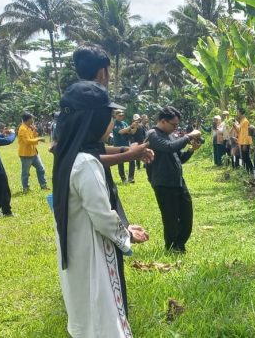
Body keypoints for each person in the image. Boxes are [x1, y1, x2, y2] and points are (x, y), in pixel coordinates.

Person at [53, 81, 149, 337]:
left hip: (75, 247)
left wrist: (125, 226)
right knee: (103, 311)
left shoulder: (66, 153)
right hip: (92, 250)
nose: (112, 123)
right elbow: (102, 217)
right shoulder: (86, 163)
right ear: (95, 120)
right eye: (109, 117)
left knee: (85, 309)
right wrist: (127, 235)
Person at [71, 45, 153, 168]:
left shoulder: (73, 102)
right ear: (103, 72)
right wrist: (129, 155)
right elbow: (86, 161)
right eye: (111, 114)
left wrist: (127, 150)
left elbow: (94, 149)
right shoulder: (97, 103)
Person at [147, 106, 202, 252]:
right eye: (174, 124)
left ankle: (180, 244)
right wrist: (188, 136)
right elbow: (169, 147)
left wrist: (191, 150)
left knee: (186, 215)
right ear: (163, 121)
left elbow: (179, 158)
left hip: (178, 181)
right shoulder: (153, 134)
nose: (175, 128)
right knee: (170, 218)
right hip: (163, 183)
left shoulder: (170, 135)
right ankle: (172, 247)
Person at [18, 112, 49, 192]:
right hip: (26, 155)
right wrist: (39, 139)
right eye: (32, 119)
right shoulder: (22, 129)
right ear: (28, 119)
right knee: (26, 173)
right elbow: (27, 141)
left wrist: (34, 131)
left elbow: (33, 137)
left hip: (34, 153)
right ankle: (26, 188)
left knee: (41, 169)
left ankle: (43, 185)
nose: (33, 120)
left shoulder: (28, 128)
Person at [113, 110, 138, 183]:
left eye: (122, 115)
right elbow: (120, 131)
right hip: (118, 145)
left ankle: (131, 178)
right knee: (120, 162)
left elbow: (132, 132)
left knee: (132, 160)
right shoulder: (114, 123)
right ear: (115, 115)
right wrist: (130, 126)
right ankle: (123, 179)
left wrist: (135, 127)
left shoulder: (124, 123)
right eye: (119, 115)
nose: (121, 116)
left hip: (127, 145)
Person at [234, 107, 253, 173]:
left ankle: (251, 171)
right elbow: (239, 131)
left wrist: (245, 144)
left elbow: (246, 134)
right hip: (242, 142)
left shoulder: (245, 121)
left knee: (246, 158)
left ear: (240, 112)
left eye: (237, 112)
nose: (237, 113)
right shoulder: (242, 121)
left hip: (245, 143)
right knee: (244, 158)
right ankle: (248, 171)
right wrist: (234, 125)